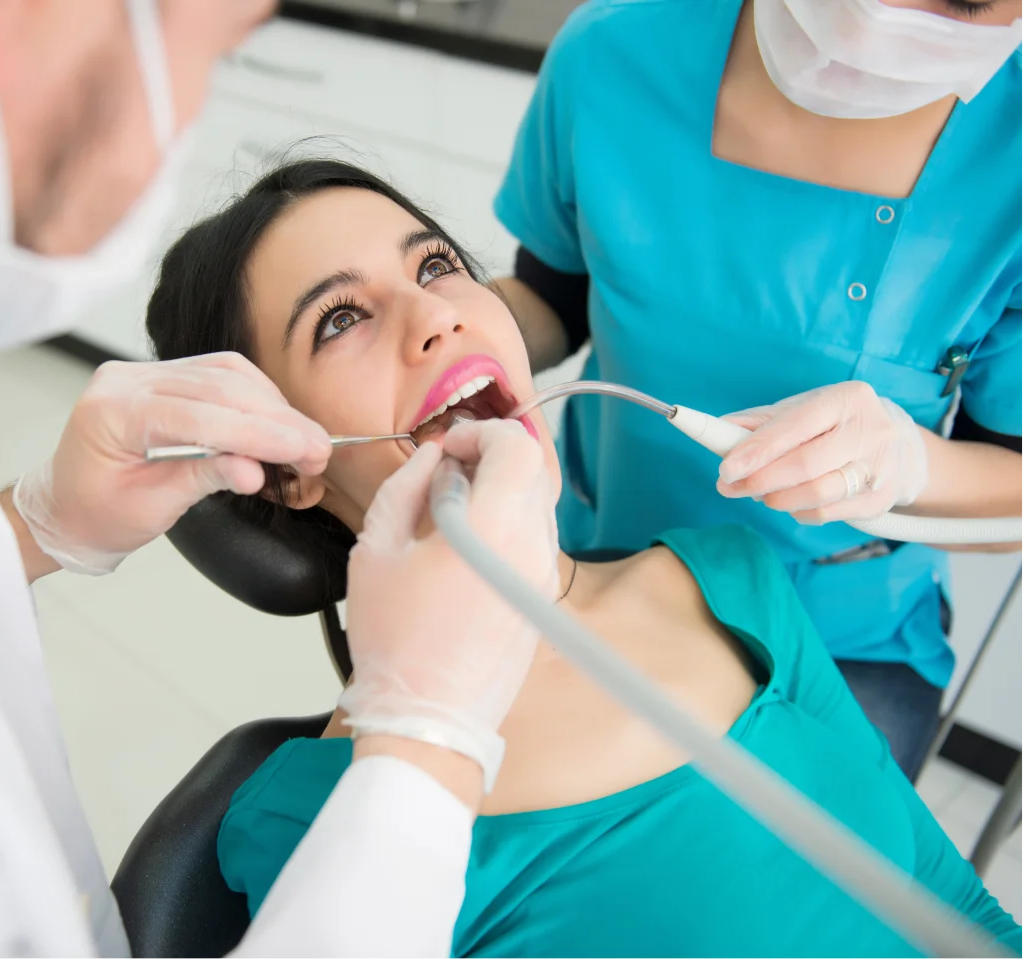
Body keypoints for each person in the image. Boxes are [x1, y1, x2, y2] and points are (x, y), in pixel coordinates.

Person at [0, 2, 559, 955]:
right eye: (216, 49)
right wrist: (426, 740)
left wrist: (26, 530)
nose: (438, 318)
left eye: (439, 266)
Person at [142, 158, 1021, 957]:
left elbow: (951, 905)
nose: (436, 316)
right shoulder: (311, 817)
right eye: (339, 319)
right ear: (289, 471)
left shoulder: (729, 581)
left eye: (437, 266)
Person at [491, 0, 1023, 781]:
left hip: (838, 632)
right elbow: (551, 305)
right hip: (593, 566)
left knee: (770, 883)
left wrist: (910, 467)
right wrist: (428, 332)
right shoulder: (613, 49)